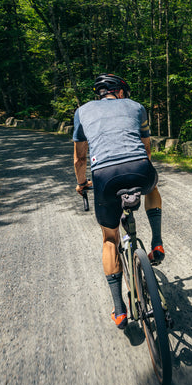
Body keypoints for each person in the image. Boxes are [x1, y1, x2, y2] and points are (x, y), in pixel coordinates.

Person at [73, 73, 165, 329]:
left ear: (99, 94)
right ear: (121, 92)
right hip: (140, 170)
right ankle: (157, 243)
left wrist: (82, 184)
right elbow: (146, 149)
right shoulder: (137, 107)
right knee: (153, 186)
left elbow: (80, 159)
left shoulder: (82, 111)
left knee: (110, 238)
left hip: (104, 176)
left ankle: (120, 310)